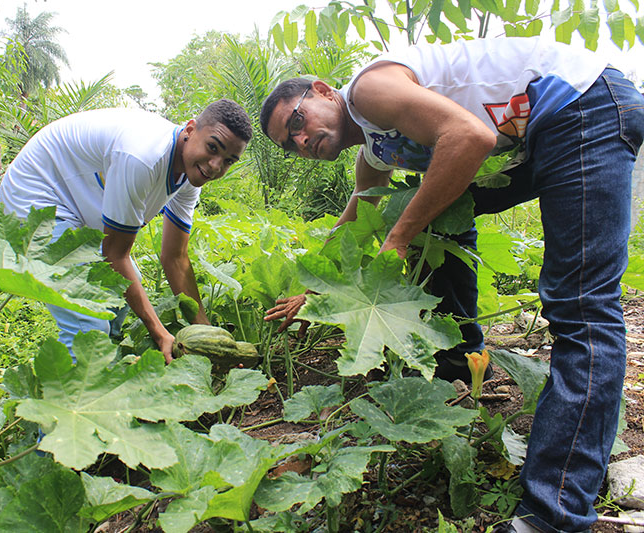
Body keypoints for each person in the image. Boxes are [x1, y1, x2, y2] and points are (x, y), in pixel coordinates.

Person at [259, 37, 644, 533]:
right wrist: (314, 291)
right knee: (435, 215)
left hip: (582, 104)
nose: (300, 140)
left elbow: (468, 137)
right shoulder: (375, 147)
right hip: (540, 131)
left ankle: (553, 514)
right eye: (289, 143)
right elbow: (355, 224)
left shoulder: (370, 90)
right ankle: (459, 370)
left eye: (296, 121)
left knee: (581, 308)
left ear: (323, 92)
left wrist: (399, 238)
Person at [0, 100, 251, 361]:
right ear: (190, 129)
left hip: (76, 206)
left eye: (229, 161)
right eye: (213, 147)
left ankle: (101, 369)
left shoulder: (190, 174)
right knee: (88, 327)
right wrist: (160, 333)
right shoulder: (142, 157)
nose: (215, 166)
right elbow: (115, 256)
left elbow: (175, 257)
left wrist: (209, 336)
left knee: (116, 299)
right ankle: (72, 391)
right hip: (35, 198)